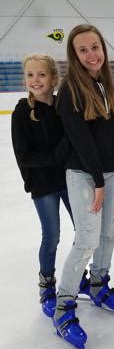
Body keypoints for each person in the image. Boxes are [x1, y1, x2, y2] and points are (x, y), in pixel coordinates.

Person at [53, 24, 114, 349]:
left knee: (107, 234)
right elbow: (80, 140)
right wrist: (99, 181)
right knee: (87, 238)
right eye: (83, 49)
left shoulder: (109, 90)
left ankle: (99, 284)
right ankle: (63, 307)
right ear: (74, 55)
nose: (91, 54)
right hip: (86, 174)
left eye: (95, 47)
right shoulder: (71, 90)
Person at [11, 54, 72, 318]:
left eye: (41, 75)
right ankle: (46, 283)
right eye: (30, 75)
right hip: (44, 185)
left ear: (53, 78)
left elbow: (74, 138)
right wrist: (54, 158)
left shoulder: (62, 106)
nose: (35, 80)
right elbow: (24, 155)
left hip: (70, 180)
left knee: (85, 232)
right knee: (52, 236)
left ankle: (77, 277)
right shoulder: (22, 111)